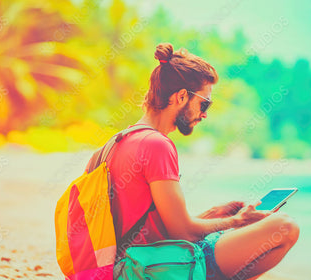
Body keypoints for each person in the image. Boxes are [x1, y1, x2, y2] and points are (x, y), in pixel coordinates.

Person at [100, 43, 299, 280]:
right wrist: (235, 221)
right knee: (284, 227)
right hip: (143, 269)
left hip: (128, 264)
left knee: (251, 233)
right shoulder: (156, 145)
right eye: (204, 104)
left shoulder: (118, 141)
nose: (204, 114)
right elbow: (181, 233)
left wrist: (213, 214)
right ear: (181, 96)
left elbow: (149, 231)